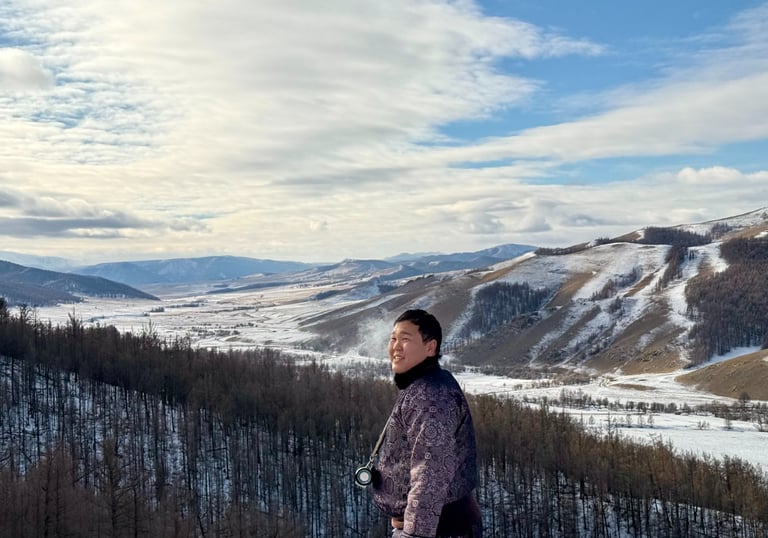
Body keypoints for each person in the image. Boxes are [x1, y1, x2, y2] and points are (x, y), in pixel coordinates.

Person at [370, 309, 482, 538]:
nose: (396, 346)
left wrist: (414, 534)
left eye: (405, 339)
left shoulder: (431, 398)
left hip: (437, 529)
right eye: (393, 338)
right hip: (435, 525)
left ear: (430, 348)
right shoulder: (424, 385)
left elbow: (431, 472)